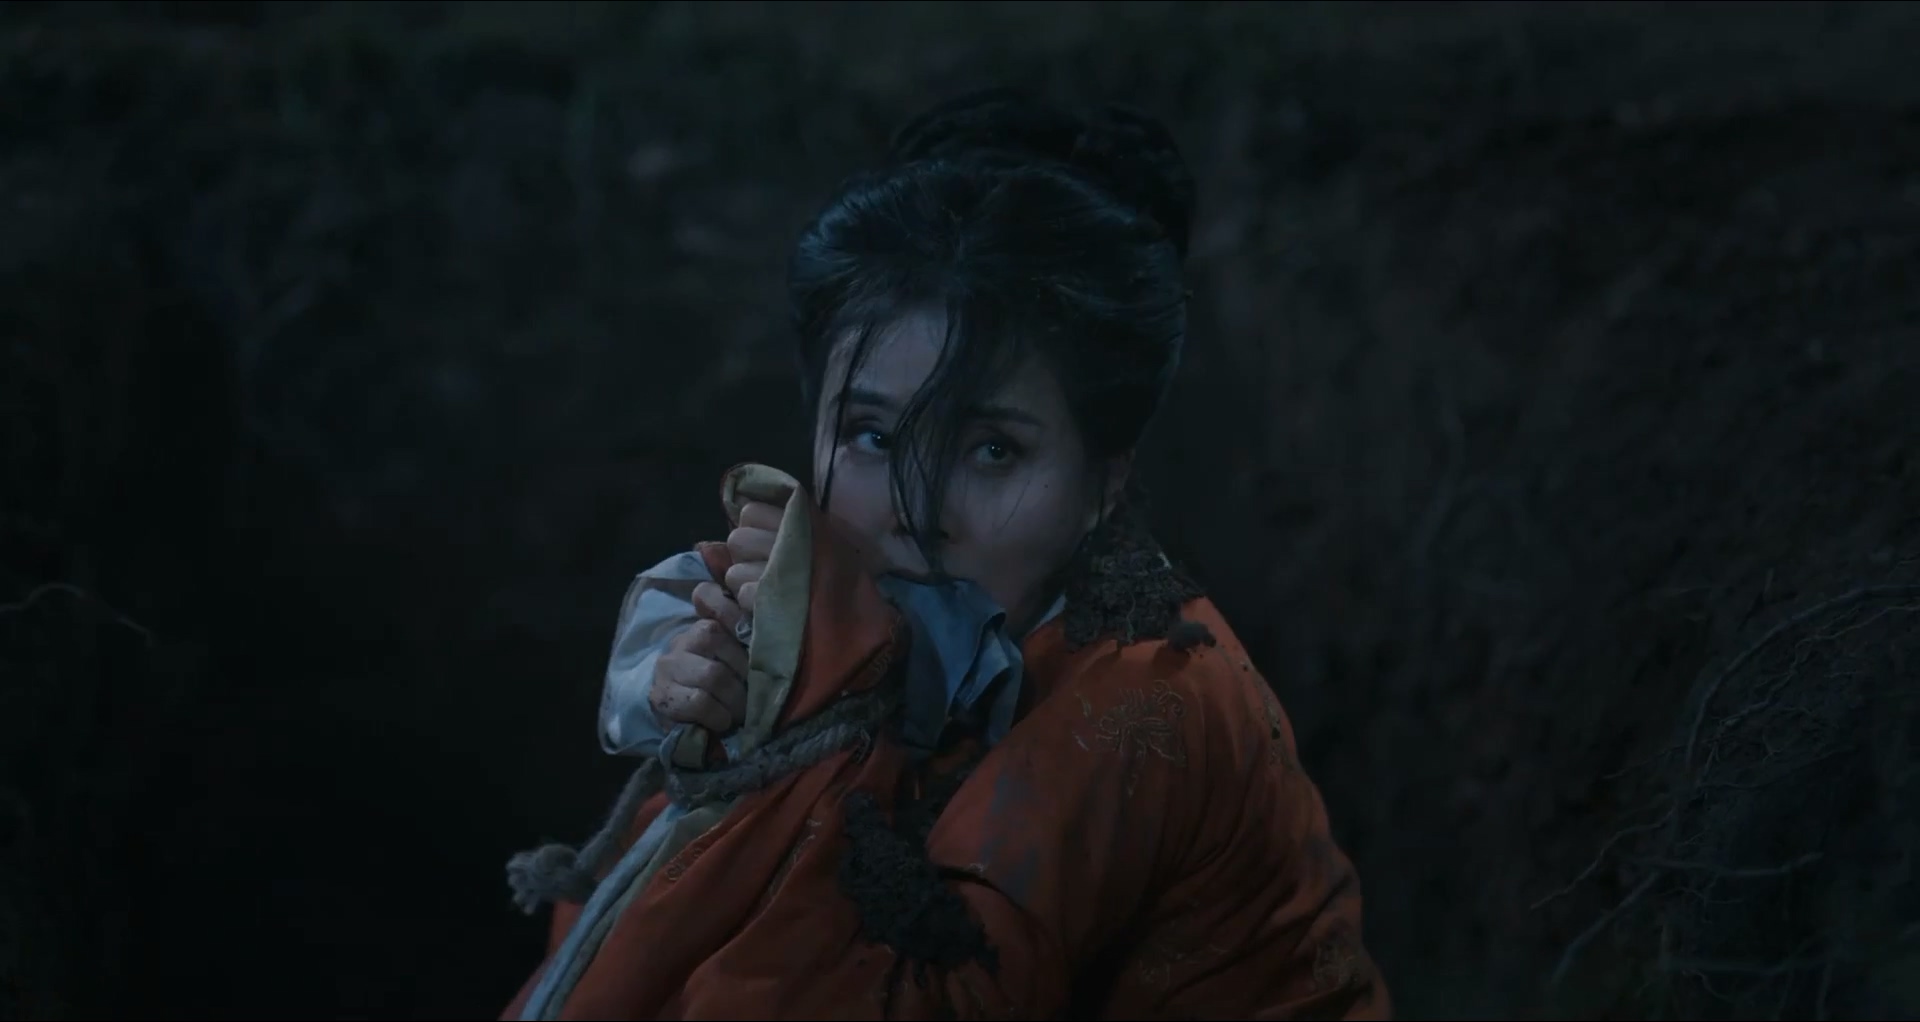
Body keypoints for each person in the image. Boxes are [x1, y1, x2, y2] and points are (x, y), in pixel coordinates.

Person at [502, 88, 1390, 1020]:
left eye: (993, 450)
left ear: (1106, 479)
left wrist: (810, 695)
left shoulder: (1143, 704)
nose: (914, 516)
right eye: (873, 437)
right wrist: (716, 721)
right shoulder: (840, 610)